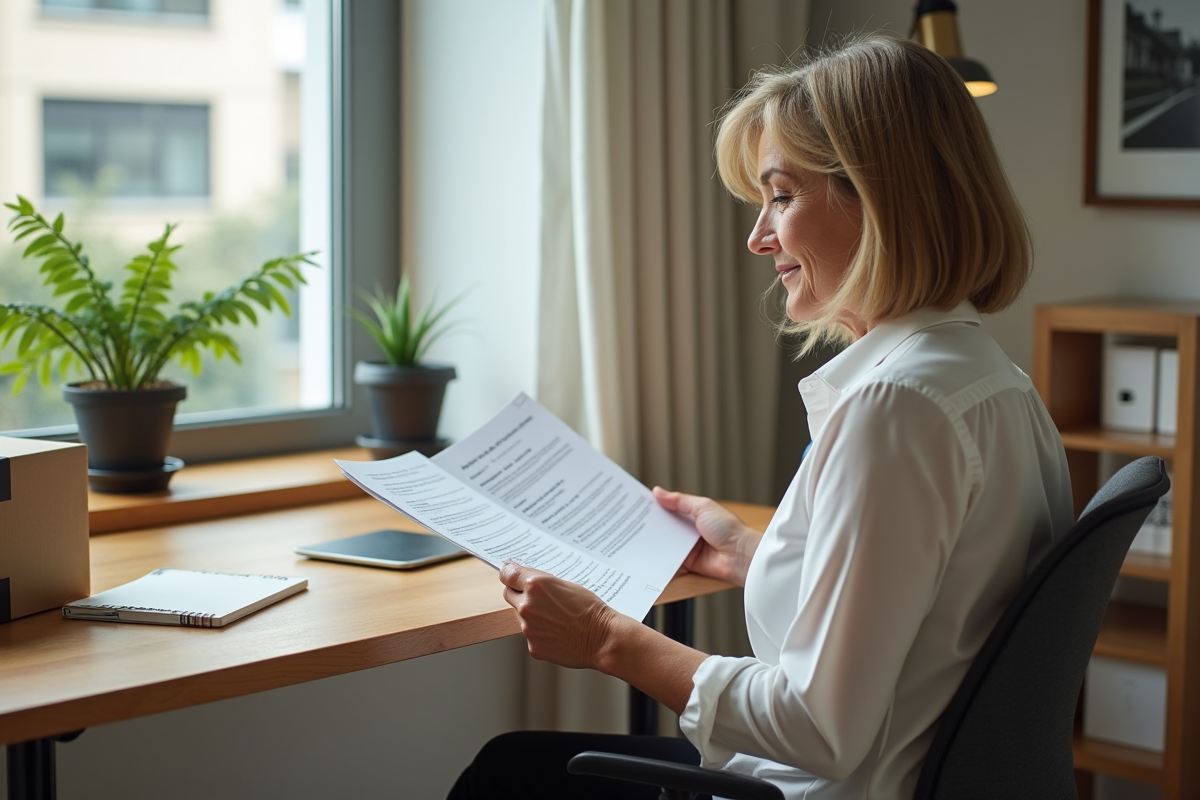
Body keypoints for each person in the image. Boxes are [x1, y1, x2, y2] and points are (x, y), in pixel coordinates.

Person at [448, 32, 1073, 800]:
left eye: (781, 195)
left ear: (878, 199)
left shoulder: (895, 408)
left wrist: (608, 639)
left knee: (507, 777)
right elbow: (937, 606)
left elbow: (818, 728)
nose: (757, 237)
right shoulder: (991, 381)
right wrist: (754, 553)